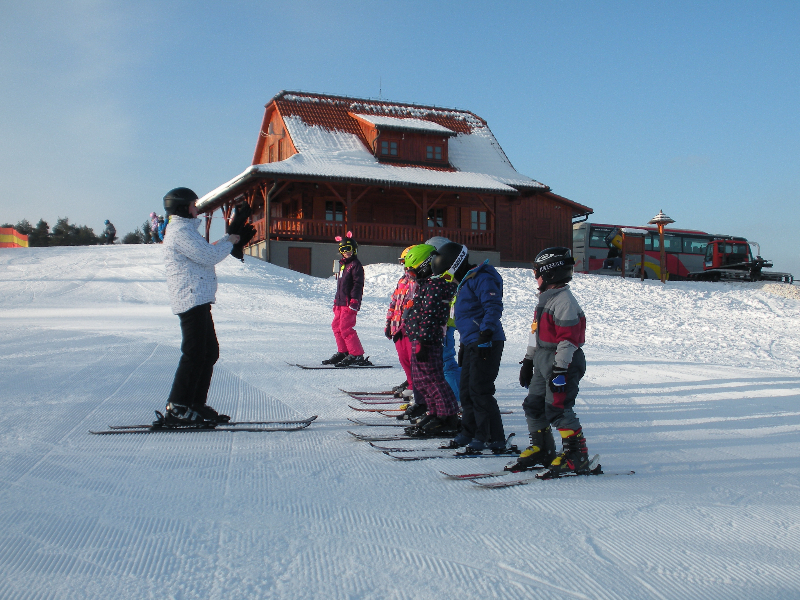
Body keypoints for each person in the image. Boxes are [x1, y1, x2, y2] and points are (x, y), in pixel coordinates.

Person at [161, 187, 240, 425]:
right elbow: (209, 256)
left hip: (199, 297)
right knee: (194, 353)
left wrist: (228, 239)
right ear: (183, 207)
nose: (197, 209)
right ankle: (177, 406)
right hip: (191, 297)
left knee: (208, 352)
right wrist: (230, 242)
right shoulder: (179, 232)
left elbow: (207, 251)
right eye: (193, 205)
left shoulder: (185, 230)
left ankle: (194, 403)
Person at [509, 247, 591, 476]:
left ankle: (577, 454)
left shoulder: (564, 302)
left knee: (558, 408)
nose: (535, 278)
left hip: (564, 361)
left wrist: (560, 370)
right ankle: (542, 448)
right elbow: (535, 333)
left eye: (537, 273)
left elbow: (569, 340)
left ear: (550, 273)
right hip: (543, 360)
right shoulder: (546, 299)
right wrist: (528, 360)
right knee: (534, 405)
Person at [431, 242, 507, 453]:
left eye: (447, 274)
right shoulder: (466, 281)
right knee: (466, 391)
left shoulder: (482, 277)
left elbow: (492, 306)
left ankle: (491, 437)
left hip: (487, 341)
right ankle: (469, 431)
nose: (448, 279)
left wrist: (486, 333)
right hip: (471, 341)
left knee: (480, 391)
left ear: (453, 265)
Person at [403, 244, 460, 436]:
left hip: (427, 341)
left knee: (433, 380)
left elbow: (430, 316)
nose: (410, 275)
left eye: (412, 271)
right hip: (419, 338)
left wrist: (423, 340)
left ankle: (447, 417)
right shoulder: (428, 285)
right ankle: (435, 412)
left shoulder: (436, 286)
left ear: (425, 266)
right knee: (422, 381)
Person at [322, 231, 371, 367]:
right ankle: (343, 351)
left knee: (346, 328)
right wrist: (336, 301)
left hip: (349, 303)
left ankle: (356, 354)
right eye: (342, 250)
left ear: (354, 249)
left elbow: (358, 284)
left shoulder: (355, 265)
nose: (345, 252)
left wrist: (354, 300)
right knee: (336, 327)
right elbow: (341, 285)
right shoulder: (344, 265)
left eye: (348, 249)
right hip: (340, 302)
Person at [425, 236, 461, 403]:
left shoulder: (448, 277)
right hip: (442, 324)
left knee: (446, 362)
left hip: (443, 325)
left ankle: (454, 398)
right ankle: (455, 394)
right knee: (445, 362)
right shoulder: (441, 275)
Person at [385, 246, 416, 403]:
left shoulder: (417, 281)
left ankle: (416, 386)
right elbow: (394, 303)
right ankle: (411, 383)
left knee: (413, 358)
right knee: (403, 357)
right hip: (397, 326)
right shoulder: (402, 281)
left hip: (410, 327)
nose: (405, 266)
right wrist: (389, 323)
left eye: (407, 262)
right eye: (403, 263)